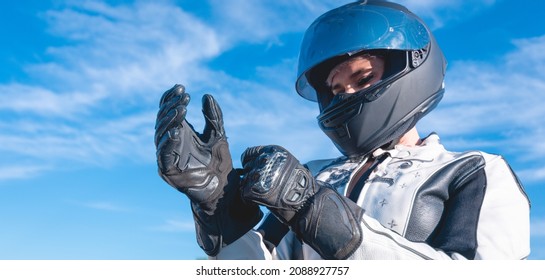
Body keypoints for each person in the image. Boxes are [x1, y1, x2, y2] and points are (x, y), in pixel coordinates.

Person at [154, 0, 530, 260]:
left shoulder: (473, 171)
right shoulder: (313, 175)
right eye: (335, 89)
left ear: (411, 68)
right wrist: (219, 213)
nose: (346, 94)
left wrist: (319, 213)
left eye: (363, 76)